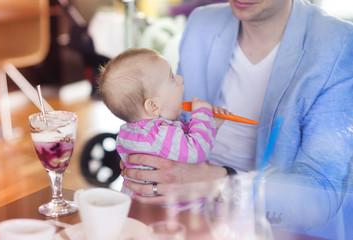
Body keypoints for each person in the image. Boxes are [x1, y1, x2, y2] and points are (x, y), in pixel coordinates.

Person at [120, 0, 353, 239]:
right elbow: (171, 118)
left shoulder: (338, 43)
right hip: (181, 211)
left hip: (269, 226)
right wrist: (146, 157)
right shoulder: (201, 23)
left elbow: (320, 196)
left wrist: (217, 183)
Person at [97, 47, 229, 212]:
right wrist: (201, 114)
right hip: (175, 214)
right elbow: (196, 152)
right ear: (153, 106)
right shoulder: (160, 133)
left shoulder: (129, 132)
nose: (180, 78)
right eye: (172, 78)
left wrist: (211, 125)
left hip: (140, 209)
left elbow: (179, 142)